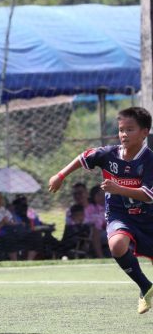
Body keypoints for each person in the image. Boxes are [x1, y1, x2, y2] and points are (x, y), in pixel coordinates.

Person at [49, 106, 153, 314]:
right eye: (121, 129)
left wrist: (118, 188)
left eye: (130, 129)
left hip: (148, 218)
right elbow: (84, 157)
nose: (124, 134)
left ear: (144, 132)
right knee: (116, 245)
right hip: (119, 215)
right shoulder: (109, 154)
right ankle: (145, 287)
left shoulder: (149, 160)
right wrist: (60, 176)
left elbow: (148, 195)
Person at [85, 185, 108, 258]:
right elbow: (86, 220)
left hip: (108, 230)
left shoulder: (108, 207)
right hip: (93, 232)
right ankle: (100, 256)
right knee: (96, 231)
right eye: (99, 195)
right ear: (93, 196)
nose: (102, 197)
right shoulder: (90, 207)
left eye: (104, 194)